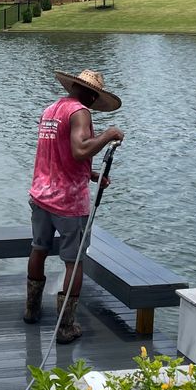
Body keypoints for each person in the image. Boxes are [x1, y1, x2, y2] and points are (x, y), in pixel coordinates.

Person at [25, 69, 124, 343]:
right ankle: (66, 326)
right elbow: (80, 150)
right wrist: (108, 134)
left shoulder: (50, 110)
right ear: (92, 95)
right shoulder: (80, 112)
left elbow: (59, 155)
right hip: (68, 202)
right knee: (74, 261)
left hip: (41, 195)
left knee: (39, 248)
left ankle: (31, 310)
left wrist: (91, 175)